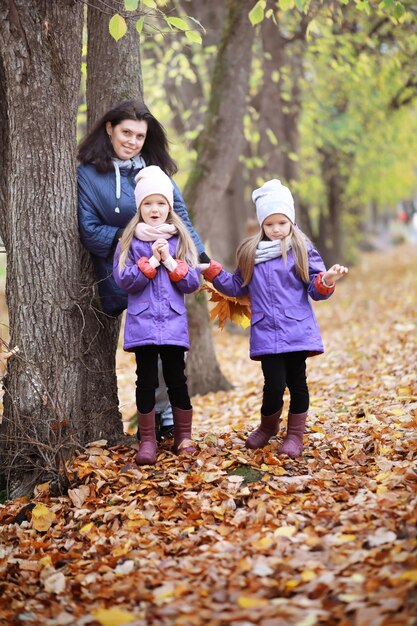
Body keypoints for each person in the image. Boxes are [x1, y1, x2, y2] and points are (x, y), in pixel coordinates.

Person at [77, 100, 209, 439]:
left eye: (140, 135)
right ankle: (128, 420)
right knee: (142, 360)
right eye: (126, 133)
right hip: (117, 272)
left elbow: (179, 217)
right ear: (109, 129)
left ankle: (165, 417)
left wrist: (200, 257)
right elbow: (90, 231)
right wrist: (134, 237)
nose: (133, 141)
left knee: (165, 352)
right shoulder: (88, 174)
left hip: (163, 275)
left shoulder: (154, 173)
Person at [203, 179, 348, 459]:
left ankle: (295, 434)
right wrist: (213, 273)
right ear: (262, 225)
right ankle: (268, 426)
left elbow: (315, 289)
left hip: (296, 328)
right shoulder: (250, 253)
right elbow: (236, 287)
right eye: (270, 224)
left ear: (291, 222)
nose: (276, 229)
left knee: (297, 382)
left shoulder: (301, 250)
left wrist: (327, 279)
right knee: (273, 383)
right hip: (266, 331)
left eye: (282, 222)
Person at [113, 165, 200, 465]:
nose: (154, 209)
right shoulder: (130, 241)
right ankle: (147, 440)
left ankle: (184, 435)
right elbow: (124, 280)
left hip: (173, 322)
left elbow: (192, 282)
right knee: (146, 380)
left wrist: (171, 262)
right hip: (144, 323)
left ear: (169, 206)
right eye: (148, 203)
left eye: (160, 203)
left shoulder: (180, 239)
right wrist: (151, 260)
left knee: (177, 378)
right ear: (139, 207)